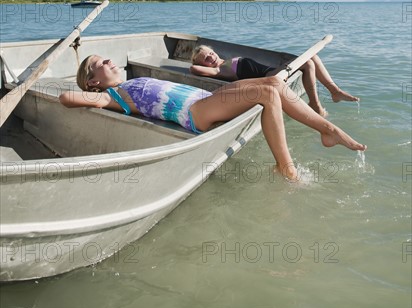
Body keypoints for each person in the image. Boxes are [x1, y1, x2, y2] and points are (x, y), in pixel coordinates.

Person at [59, 55, 366, 182]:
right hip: (195, 113)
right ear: (93, 82)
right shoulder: (113, 96)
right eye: (101, 63)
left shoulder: (128, 83)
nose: (110, 60)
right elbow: (67, 98)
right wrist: (92, 95)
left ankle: (327, 130)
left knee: (275, 83)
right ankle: (286, 169)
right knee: (269, 95)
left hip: (206, 100)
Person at [190, 45, 359, 117]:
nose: (210, 57)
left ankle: (334, 91)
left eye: (210, 53)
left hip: (272, 72)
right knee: (307, 63)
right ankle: (315, 105)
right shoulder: (218, 70)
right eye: (204, 58)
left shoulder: (225, 61)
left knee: (311, 56)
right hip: (270, 78)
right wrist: (196, 63)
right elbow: (194, 69)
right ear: (201, 64)